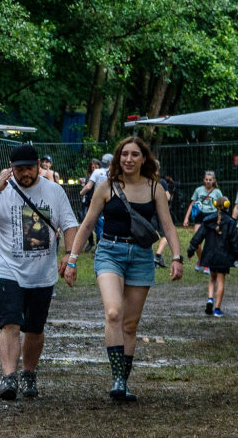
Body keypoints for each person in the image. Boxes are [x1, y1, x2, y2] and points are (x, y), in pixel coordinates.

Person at [63, 136, 182, 402]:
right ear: (118, 159)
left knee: (130, 323)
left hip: (140, 256)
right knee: (114, 312)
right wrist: (72, 259)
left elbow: (168, 225)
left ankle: (123, 383)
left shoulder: (155, 189)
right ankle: (117, 378)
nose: (128, 159)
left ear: (144, 159)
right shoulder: (106, 187)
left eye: (134, 155)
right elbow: (87, 225)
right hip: (110, 252)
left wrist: (177, 257)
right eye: (124, 154)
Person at [0, 143, 79, 401]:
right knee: (10, 323)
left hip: (42, 273)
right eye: (19, 170)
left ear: (39, 166)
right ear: (10, 169)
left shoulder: (54, 192)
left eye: (29, 169)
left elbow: (70, 224)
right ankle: (9, 377)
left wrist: (69, 256)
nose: (25, 174)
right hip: (8, 271)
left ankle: (29, 373)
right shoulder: (1, 191)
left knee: (35, 328)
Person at [187, 197, 238, 318]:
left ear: (214, 205)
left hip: (210, 255)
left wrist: (191, 250)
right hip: (223, 256)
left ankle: (210, 299)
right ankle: (217, 309)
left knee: (212, 278)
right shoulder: (230, 222)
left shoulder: (207, 220)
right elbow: (234, 242)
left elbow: (198, 236)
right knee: (220, 280)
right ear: (227, 205)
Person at [180, 171, 222, 273]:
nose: (208, 181)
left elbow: (221, 207)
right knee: (197, 241)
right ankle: (201, 260)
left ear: (214, 181)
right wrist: (186, 218)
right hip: (200, 216)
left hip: (212, 216)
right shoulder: (198, 190)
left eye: (210, 180)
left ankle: (207, 263)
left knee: (209, 242)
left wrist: (220, 221)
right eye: (206, 179)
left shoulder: (217, 192)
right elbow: (192, 204)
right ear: (204, 180)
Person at [80, 153, 113, 245]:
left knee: (97, 225)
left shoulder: (97, 172)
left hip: (97, 202)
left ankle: (101, 243)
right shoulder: (115, 172)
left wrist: (81, 193)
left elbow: (88, 187)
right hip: (111, 201)